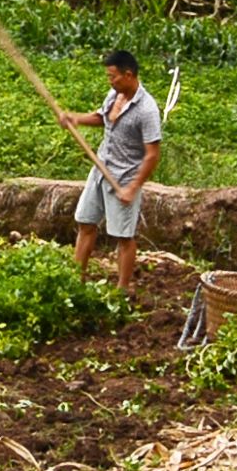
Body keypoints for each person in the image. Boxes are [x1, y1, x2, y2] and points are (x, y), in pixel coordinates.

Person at [58, 49, 163, 292]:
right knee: (85, 222)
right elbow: (102, 118)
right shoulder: (115, 94)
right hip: (100, 169)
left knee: (123, 237)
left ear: (128, 75)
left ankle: (122, 290)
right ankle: (77, 280)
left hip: (124, 178)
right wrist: (75, 119)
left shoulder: (147, 110)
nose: (110, 81)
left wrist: (132, 188)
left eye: (113, 76)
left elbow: (152, 155)